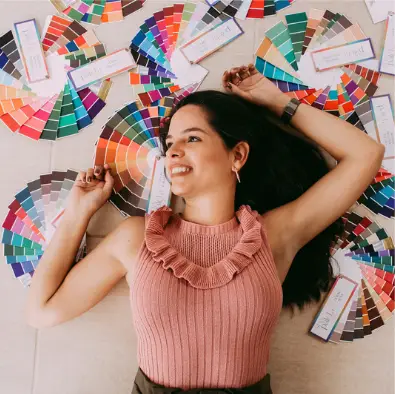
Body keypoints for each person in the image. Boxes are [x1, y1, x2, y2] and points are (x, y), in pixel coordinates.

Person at [26, 65, 384, 393]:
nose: (173, 152)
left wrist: (276, 101)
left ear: (237, 156)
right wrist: (78, 214)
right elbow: (42, 310)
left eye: (192, 139)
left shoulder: (273, 236)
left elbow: (365, 155)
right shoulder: (136, 239)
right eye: (169, 145)